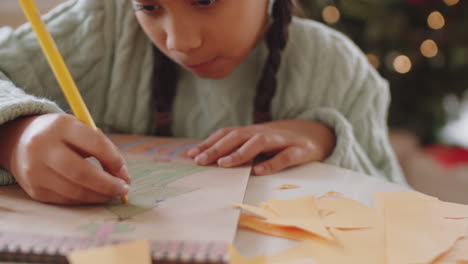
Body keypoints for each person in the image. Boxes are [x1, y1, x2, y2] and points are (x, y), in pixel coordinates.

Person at [0, 0, 406, 205]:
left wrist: (328, 141)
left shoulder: (338, 71)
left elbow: (400, 217)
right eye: (150, 7)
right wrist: (15, 133)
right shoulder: (101, 27)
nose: (180, 42)